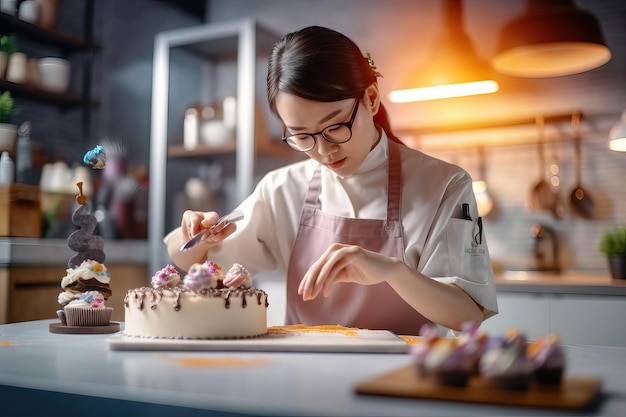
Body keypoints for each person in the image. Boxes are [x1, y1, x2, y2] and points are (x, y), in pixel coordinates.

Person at [165, 26, 498, 335]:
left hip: (403, 382)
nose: (323, 149)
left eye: (335, 125)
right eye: (301, 136)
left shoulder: (443, 185)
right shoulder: (282, 189)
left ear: (370, 98)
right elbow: (188, 261)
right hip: (302, 384)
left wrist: (393, 271)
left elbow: (468, 315)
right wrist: (194, 235)